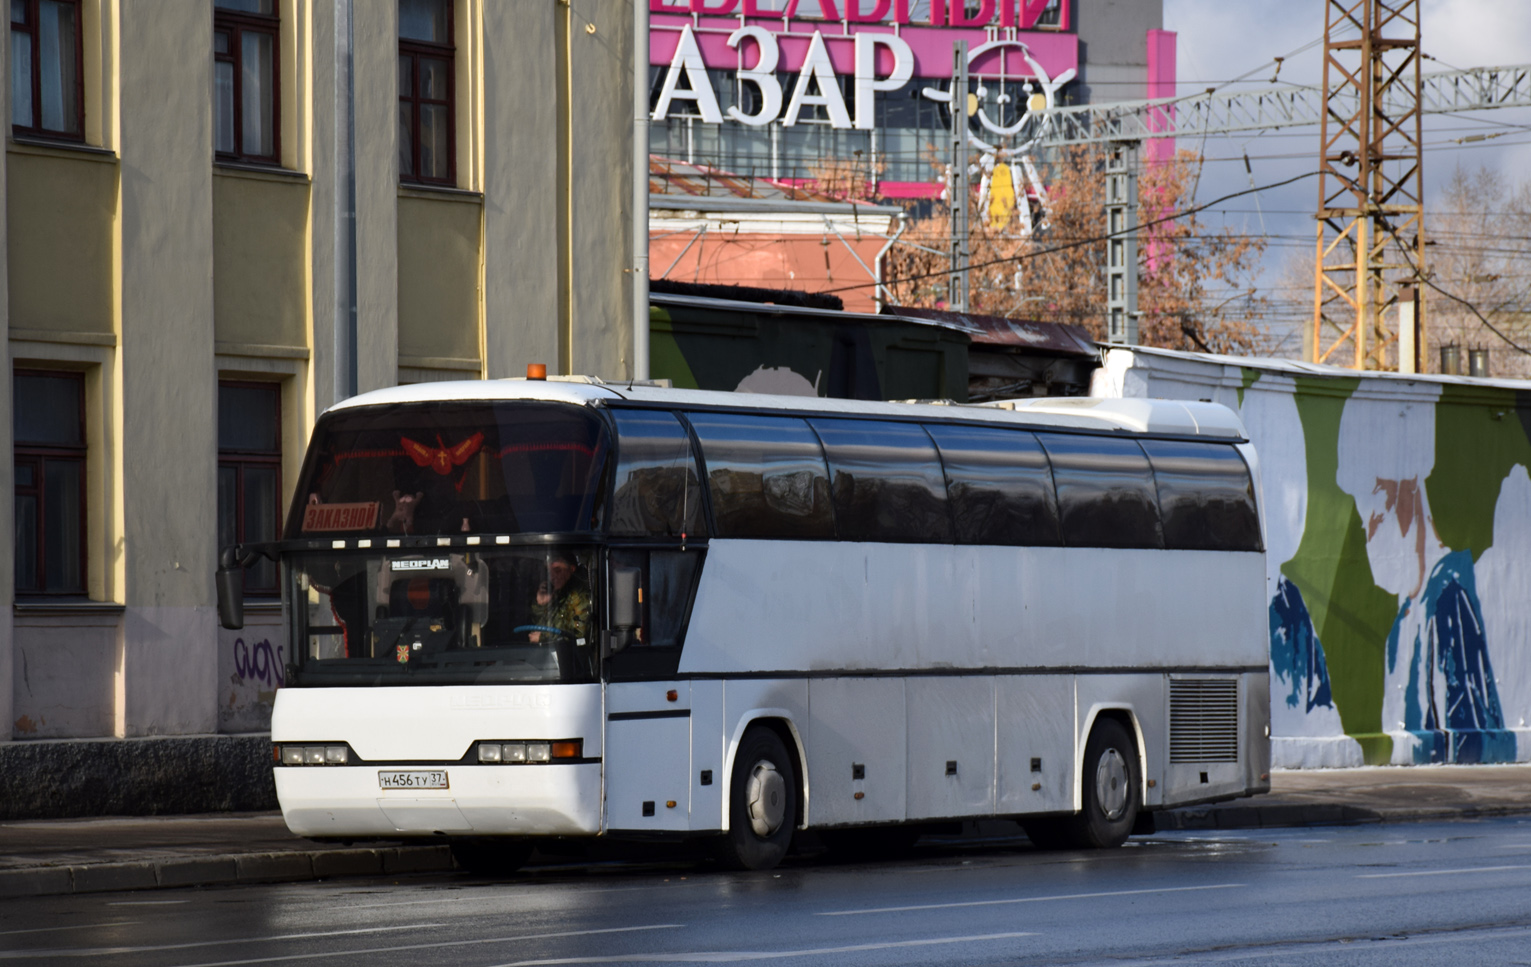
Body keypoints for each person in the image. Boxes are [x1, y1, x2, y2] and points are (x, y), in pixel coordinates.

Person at [528, 549, 592, 648]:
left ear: (571, 569)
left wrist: (544, 637)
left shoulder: (580, 596)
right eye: (549, 572)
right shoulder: (557, 594)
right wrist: (541, 604)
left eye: (557, 570)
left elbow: (579, 636)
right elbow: (537, 627)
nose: (552, 576)